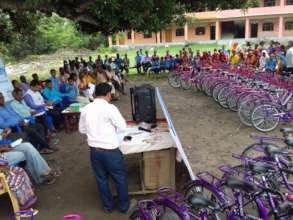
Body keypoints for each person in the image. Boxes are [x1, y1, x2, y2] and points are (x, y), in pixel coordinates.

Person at [79, 83, 129, 213]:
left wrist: (95, 133)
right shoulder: (110, 108)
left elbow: (82, 129)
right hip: (111, 152)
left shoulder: (86, 108)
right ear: (108, 94)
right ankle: (123, 207)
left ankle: (108, 207)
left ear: (95, 94)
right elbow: (123, 127)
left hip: (94, 152)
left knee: (101, 180)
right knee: (120, 178)